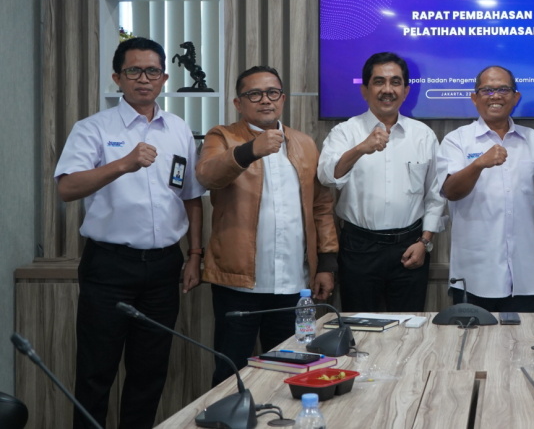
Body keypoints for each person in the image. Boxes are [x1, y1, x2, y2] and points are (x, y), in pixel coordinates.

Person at [54, 37, 204, 429]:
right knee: (94, 374)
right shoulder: (93, 129)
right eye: (134, 71)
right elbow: (66, 188)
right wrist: (121, 163)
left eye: (152, 71)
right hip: (109, 268)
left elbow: (190, 196)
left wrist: (194, 255)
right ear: (117, 78)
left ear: (165, 78)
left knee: (149, 374)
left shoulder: (178, 129)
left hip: (163, 268)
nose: (143, 79)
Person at [195, 66, 339, 386]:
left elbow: (321, 207)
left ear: (283, 99)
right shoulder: (222, 136)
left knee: (288, 373)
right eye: (254, 94)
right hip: (238, 285)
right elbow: (207, 175)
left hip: (293, 285)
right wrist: (249, 151)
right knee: (231, 373)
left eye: (272, 93)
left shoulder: (304, 144)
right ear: (238, 103)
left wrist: (327, 262)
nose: (265, 100)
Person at [317, 52, 446, 312]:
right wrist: (361, 148)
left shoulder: (423, 135)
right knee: (361, 330)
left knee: (409, 331)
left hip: (410, 247)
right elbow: (326, 176)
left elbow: (436, 195)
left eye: (395, 82)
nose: (388, 90)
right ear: (365, 90)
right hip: (358, 247)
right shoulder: (345, 132)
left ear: (406, 90)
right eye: (379, 82)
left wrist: (425, 242)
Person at [437, 65, 534, 312]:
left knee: (522, 347)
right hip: (473, 277)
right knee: (471, 348)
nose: (496, 96)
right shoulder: (457, 140)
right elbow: (450, 191)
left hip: (526, 275)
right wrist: (479, 163)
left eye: (504, 89)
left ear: (516, 97)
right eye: (487, 90)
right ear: (474, 98)